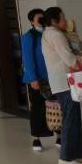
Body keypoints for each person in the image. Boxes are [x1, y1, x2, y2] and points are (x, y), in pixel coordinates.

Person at [41, 6, 82, 164]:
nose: (65, 20)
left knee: (73, 117)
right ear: (54, 21)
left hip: (61, 82)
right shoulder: (56, 35)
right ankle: (66, 158)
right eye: (62, 18)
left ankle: (75, 155)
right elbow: (69, 58)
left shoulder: (48, 33)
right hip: (65, 82)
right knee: (70, 119)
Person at [21, 8, 57, 152]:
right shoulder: (29, 36)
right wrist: (33, 78)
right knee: (38, 107)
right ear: (32, 21)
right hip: (38, 78)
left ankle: (59, 134)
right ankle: (36, 138)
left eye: (43, 18)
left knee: (56, 106)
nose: (42, 21)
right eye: (39, 19)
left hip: (53, 76)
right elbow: (28, 59)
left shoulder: (50, 33)